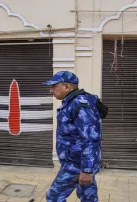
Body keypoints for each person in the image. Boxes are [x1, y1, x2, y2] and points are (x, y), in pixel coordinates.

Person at [43, 71, 102, 202]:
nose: (51, 90)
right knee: (88, 198)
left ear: (66, 87)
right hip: (79, 163)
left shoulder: (80, 105)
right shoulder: (72, 102)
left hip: (76, 165)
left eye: (53, 86)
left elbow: (91, 139)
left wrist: (87, 170)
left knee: (53, 197)